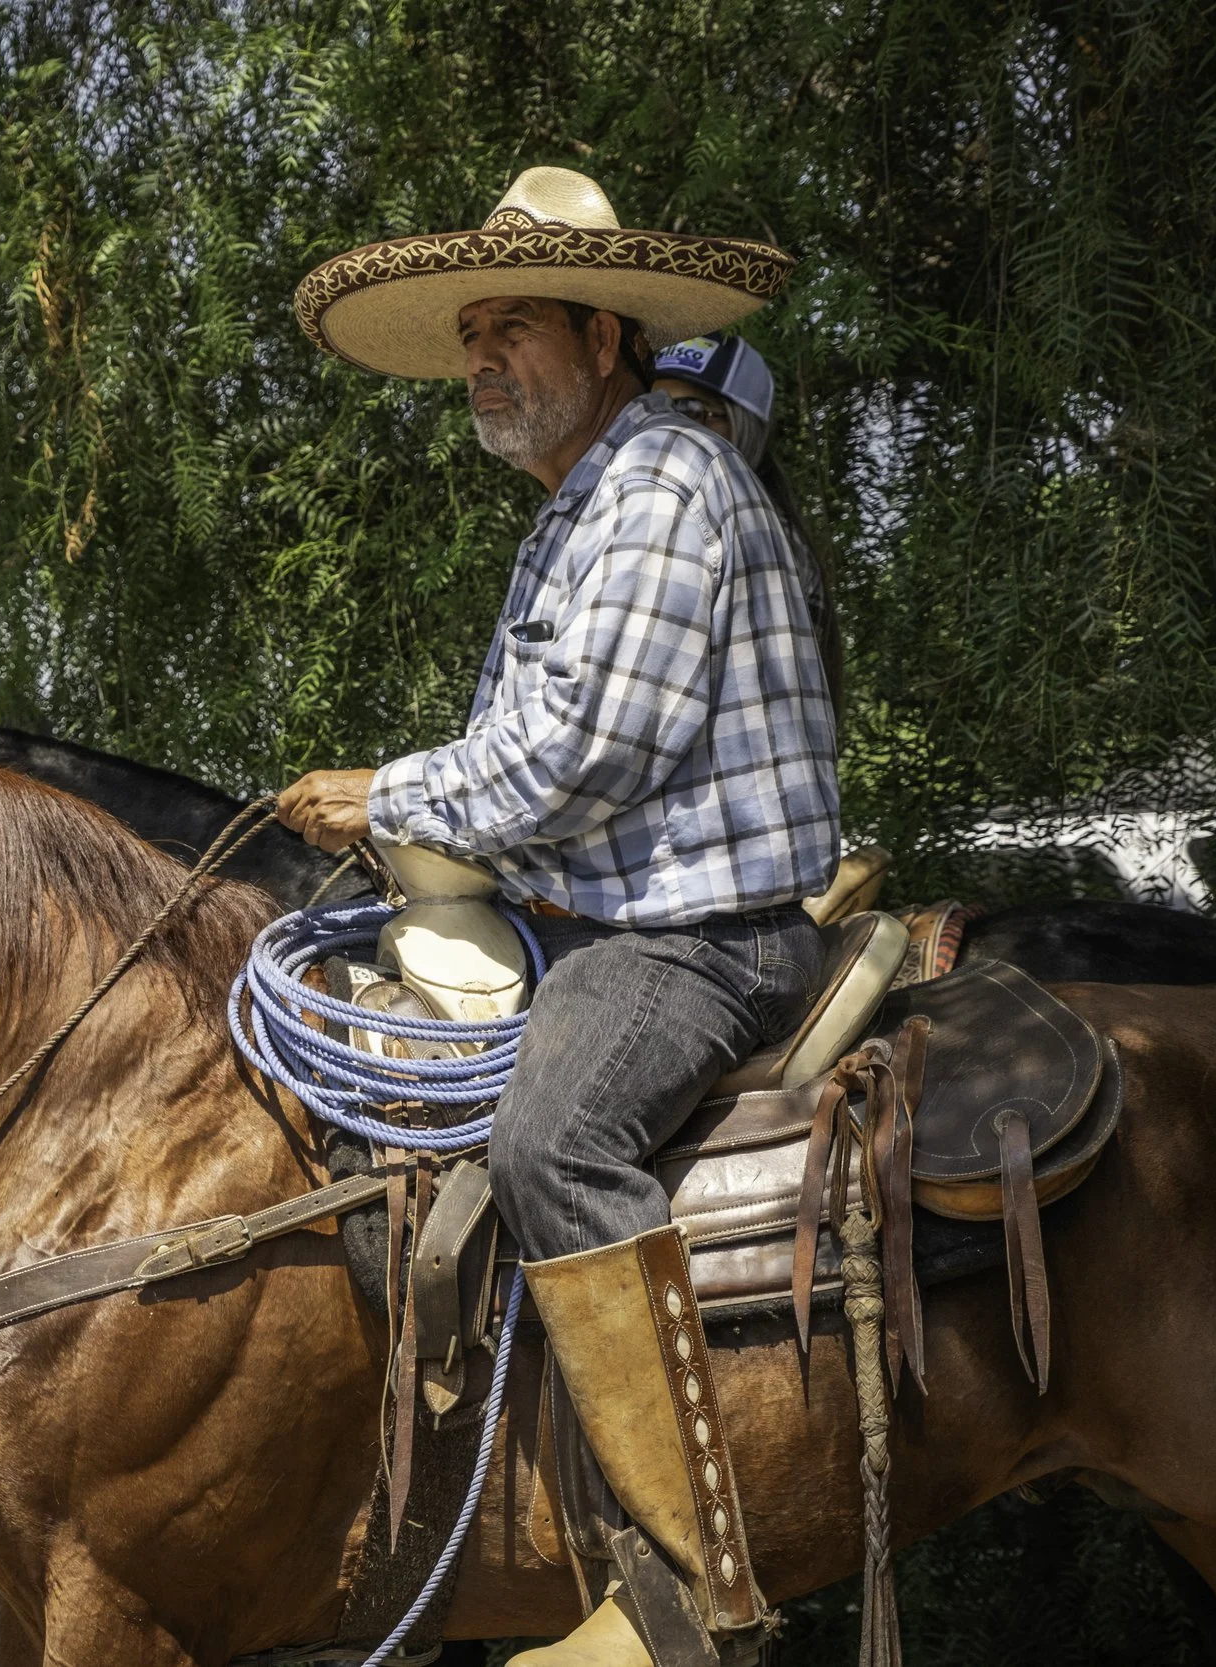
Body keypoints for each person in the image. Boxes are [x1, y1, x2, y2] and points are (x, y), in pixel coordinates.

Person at [282, 168, 841, 1666]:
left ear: (604, 334)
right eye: (469, 330)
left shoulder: (664, 482)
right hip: (604, 913)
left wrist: (383, 792)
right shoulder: (576, 510)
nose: (480, 358)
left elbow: (593, 747)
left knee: (552, 1136)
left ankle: (690, 1589)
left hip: (701, 932)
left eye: (509, 324)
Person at [651, 332, 844, 711]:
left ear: (744, 429)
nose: (662, 431)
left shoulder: (752, 537)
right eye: (651, 410)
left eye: (688, 411)